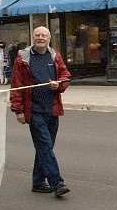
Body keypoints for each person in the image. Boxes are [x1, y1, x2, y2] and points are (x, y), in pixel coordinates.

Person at [10, 26, 72, 198]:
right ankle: (57, 183)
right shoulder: (23, 58)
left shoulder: (54, 55)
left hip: (52, 109)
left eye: (44, 35)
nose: (40, 38)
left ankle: (38, 182)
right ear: (33, 37)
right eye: (37, 35)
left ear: (49, 38)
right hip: (34, 110)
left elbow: (66, 76)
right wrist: (18, 110)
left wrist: (59, 84)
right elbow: (16, 85)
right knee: (44, 145)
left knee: (45, 147)